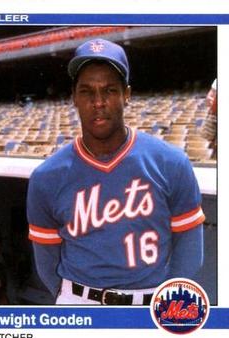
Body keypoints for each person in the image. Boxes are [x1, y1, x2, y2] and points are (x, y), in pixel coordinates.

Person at [27, 38, 205, 305]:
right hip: (78, 301)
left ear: (127, 95)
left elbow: (190, 250)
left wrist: (166, 303)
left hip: (151, 303)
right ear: (74, 98)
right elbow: (46, 261)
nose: (98, 102)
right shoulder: (46, 177)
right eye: (87, 91)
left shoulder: (171, 162)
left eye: (109, 90)